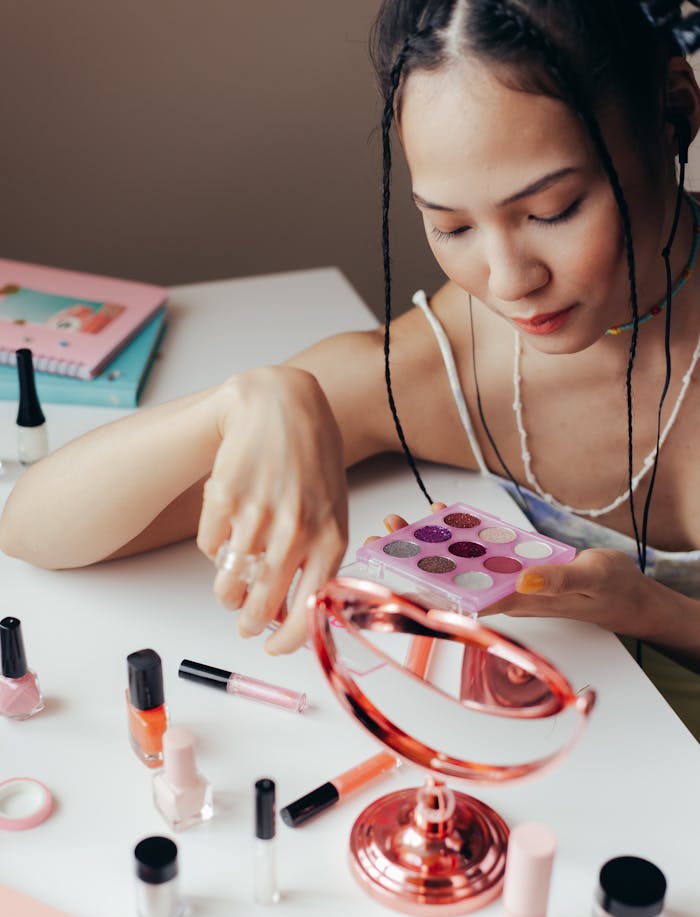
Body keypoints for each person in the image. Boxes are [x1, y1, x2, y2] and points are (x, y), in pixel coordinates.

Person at [1, 0, 700, 737]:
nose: (506, 280)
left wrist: (653, 612)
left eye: (553, 210)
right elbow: (36, 525)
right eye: (451, 226)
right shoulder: (452, 364)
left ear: (676, 110)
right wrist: (243, 402)